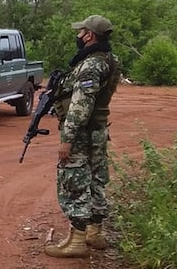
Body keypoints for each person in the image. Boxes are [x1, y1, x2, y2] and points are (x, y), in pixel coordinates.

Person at [45, 15, 120, 258]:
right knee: (96, 178)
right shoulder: (110, 60)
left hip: (82, 132)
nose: (78, 36)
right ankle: (94, 232)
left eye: (81, 32)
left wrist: (67, 139)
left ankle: (76, 240)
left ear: (89, 35)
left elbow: (81, 105)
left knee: (74, 181)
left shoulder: (90, 65)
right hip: (98, 130)